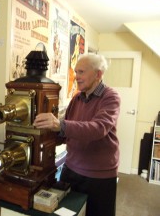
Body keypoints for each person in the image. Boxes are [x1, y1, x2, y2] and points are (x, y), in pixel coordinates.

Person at [33, 54, 120, 216]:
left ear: (98, 74)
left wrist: (59, 124)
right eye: (75, 72)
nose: (76, 77)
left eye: (81, 72)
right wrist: (42, 135)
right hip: (71, 170)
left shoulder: (111, 97)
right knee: (66, 212)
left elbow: (98, 128)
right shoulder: (76, 99)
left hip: (98, 176)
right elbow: (65, 134)